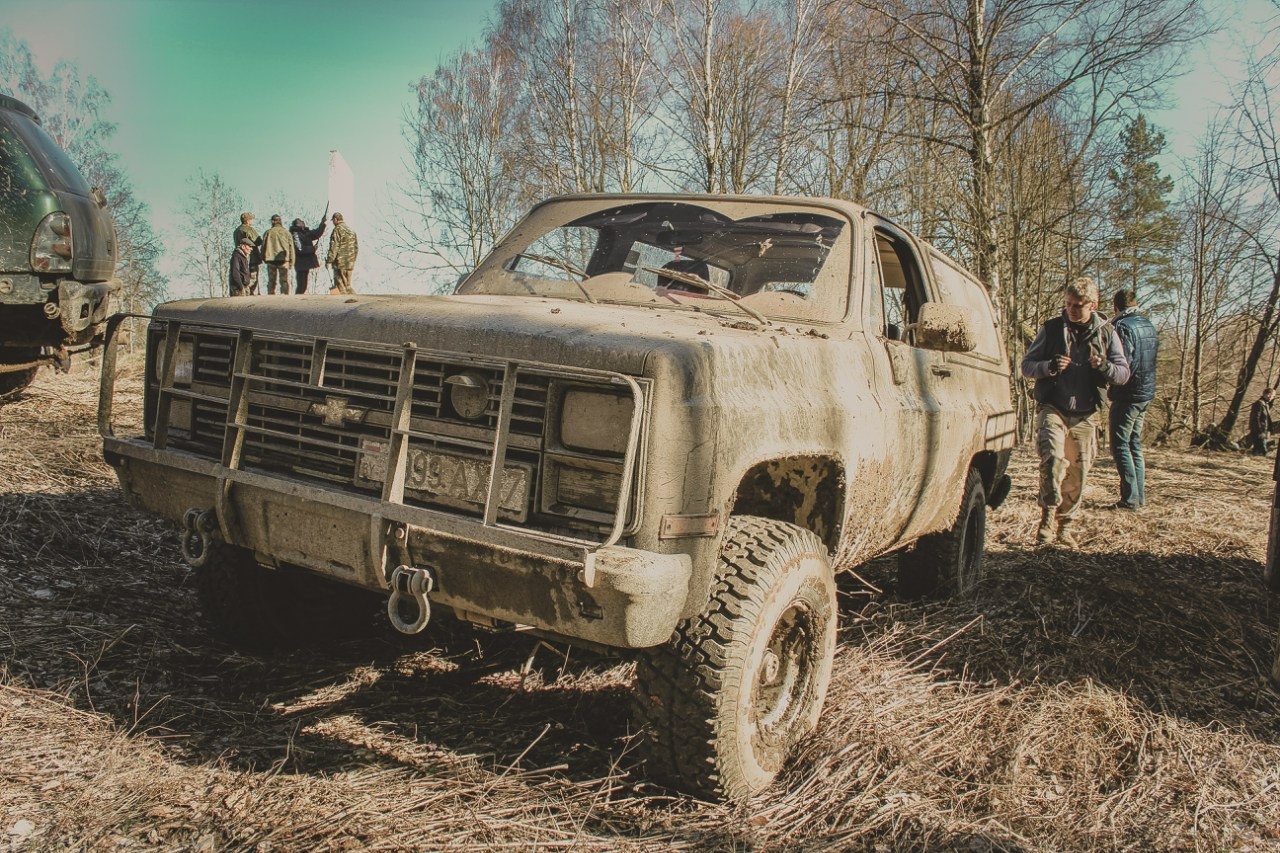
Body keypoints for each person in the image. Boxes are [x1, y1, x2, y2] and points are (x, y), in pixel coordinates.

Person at [1021, 277, 1130, 547]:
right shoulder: (1052, 328)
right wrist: (1049, 366)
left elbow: (1123, 373)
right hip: (1053, 408)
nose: (1071, 309)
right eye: (1068, 304)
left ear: (1093, 305)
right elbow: (1026, 366)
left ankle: (1065, 525)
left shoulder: (1107, 333)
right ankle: (1046, 519)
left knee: (1079, 472)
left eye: (1078, 305)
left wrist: (1103, 366)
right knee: (1052, 460)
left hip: (1085, 414)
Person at [1108, 289, 1159, 510]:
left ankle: (1129, 500)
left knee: (1120, 444)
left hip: (1128, 394)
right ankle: (1139, 498)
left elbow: (1124, 364)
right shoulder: (1148, 324)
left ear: (1116, 307)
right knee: (1134, 444)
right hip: (1145, 393)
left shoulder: (1122, 326)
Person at [290, 215, 327, 295]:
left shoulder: (306, 233)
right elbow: (300, 248)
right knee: (301, 285)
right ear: (297, 225)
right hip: (301, 263)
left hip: (305, 263)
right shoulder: (295, 234)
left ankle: (298, 299)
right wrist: (313, 249)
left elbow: (317, 233)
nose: (302, 221)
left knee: (304, 285)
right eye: (300, 221)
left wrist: (322, 223)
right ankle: (297, 300)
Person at [260, 214, 295, 295]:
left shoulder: (268, 232)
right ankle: (285, 297)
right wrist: (291, 261)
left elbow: (263, 246)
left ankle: (271, 298)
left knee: (271, 281)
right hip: (283, 260)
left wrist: (262, 258)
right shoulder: (287, 233)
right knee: (284, 280)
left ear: (273, 221)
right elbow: (291, 248)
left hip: (270, 259)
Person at [325, 212, 358, 295]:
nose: (333, 222)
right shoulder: (351, 231)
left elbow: (334, 246)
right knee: (348, 286)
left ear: (336, 219)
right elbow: (356, 247)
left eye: (333, 220)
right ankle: (354, 301)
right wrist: (352, 260)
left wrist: (329, 260)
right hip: (350, 262)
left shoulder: (337, 230)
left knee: (341, 286)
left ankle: (345, 305)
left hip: (340, 262)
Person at [231, 212, 262, 295]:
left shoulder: (236, 231)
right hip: (252, 257)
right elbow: (258, 241)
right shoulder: (249, 229)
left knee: (243, 274)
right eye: (251, 219)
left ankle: (246, 290)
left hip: (241, 256)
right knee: (253, 276)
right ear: (247, 220)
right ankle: (250, 291)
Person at [1248, 388, 1276, 455]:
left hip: (1263, 431)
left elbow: (1267, 420)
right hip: (1258, 432)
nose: (1272, 397)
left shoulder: (1265, 405)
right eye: (1272, 395)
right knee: (1262, 451)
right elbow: (1255, 419)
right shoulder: (1259, 404)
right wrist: (1260, 432)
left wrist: (1268, 431)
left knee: (1258, 451)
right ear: (1268, 395)